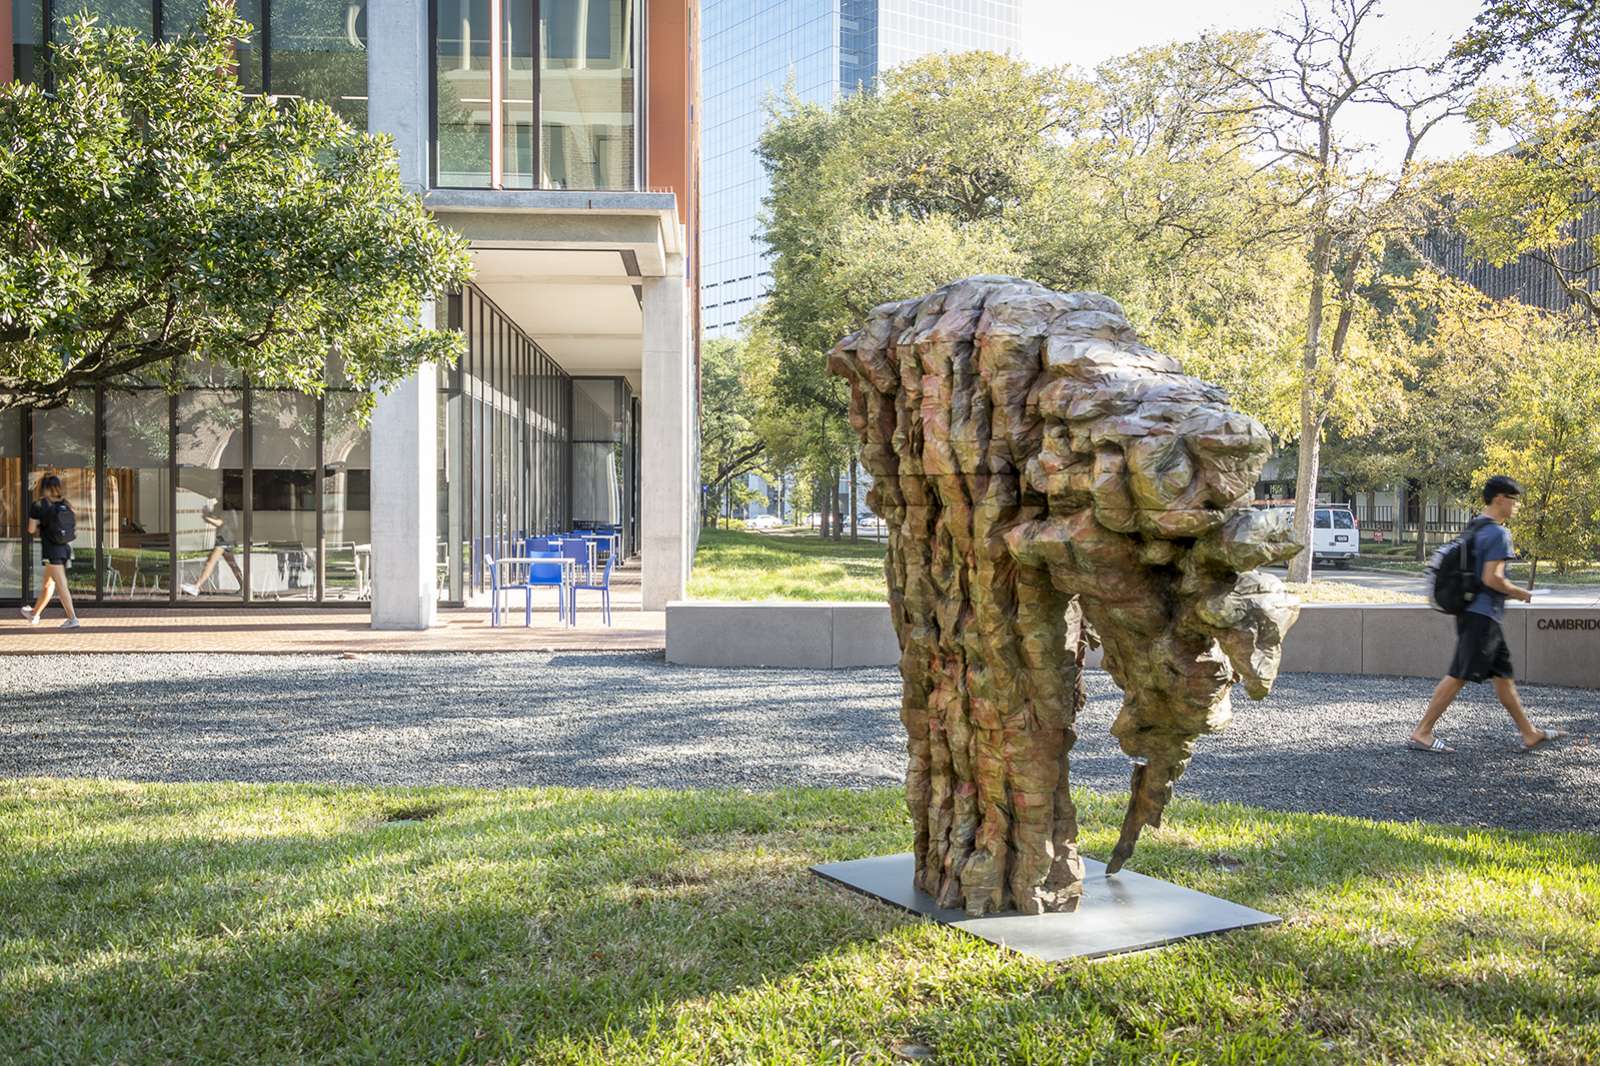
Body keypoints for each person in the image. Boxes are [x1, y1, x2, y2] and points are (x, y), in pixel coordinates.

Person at [1409, 475, 1567, 754]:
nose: (1516, 505)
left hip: (1474, 613)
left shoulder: (1474, 527)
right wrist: (1523, 593)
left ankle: (1529, 733)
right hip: (1482, 617)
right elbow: (1492, 578)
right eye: (1513, 499)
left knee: (1503, 675)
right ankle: (1422, 731)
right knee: (1459, 674)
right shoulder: (1497, 533)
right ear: (1499, 499)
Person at [21, 474, 81, 629]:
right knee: (48, 584)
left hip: (51, 551)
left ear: (43, 488)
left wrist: (41, 524)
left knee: (61, 585)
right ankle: (34, 614)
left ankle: (72, 618)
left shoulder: (39, 505)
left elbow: (31, 529)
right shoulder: (65, 503)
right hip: (65, 548)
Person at [181, 497, 242, 597]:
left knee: (210, 562)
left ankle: (196, 586)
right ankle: (245, 587)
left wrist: (206, 517)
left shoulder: (226, 508)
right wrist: (208, 514)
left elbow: (219, 522)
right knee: (232, 565)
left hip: (224, 539)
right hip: (226, 538)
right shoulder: (225, 506)